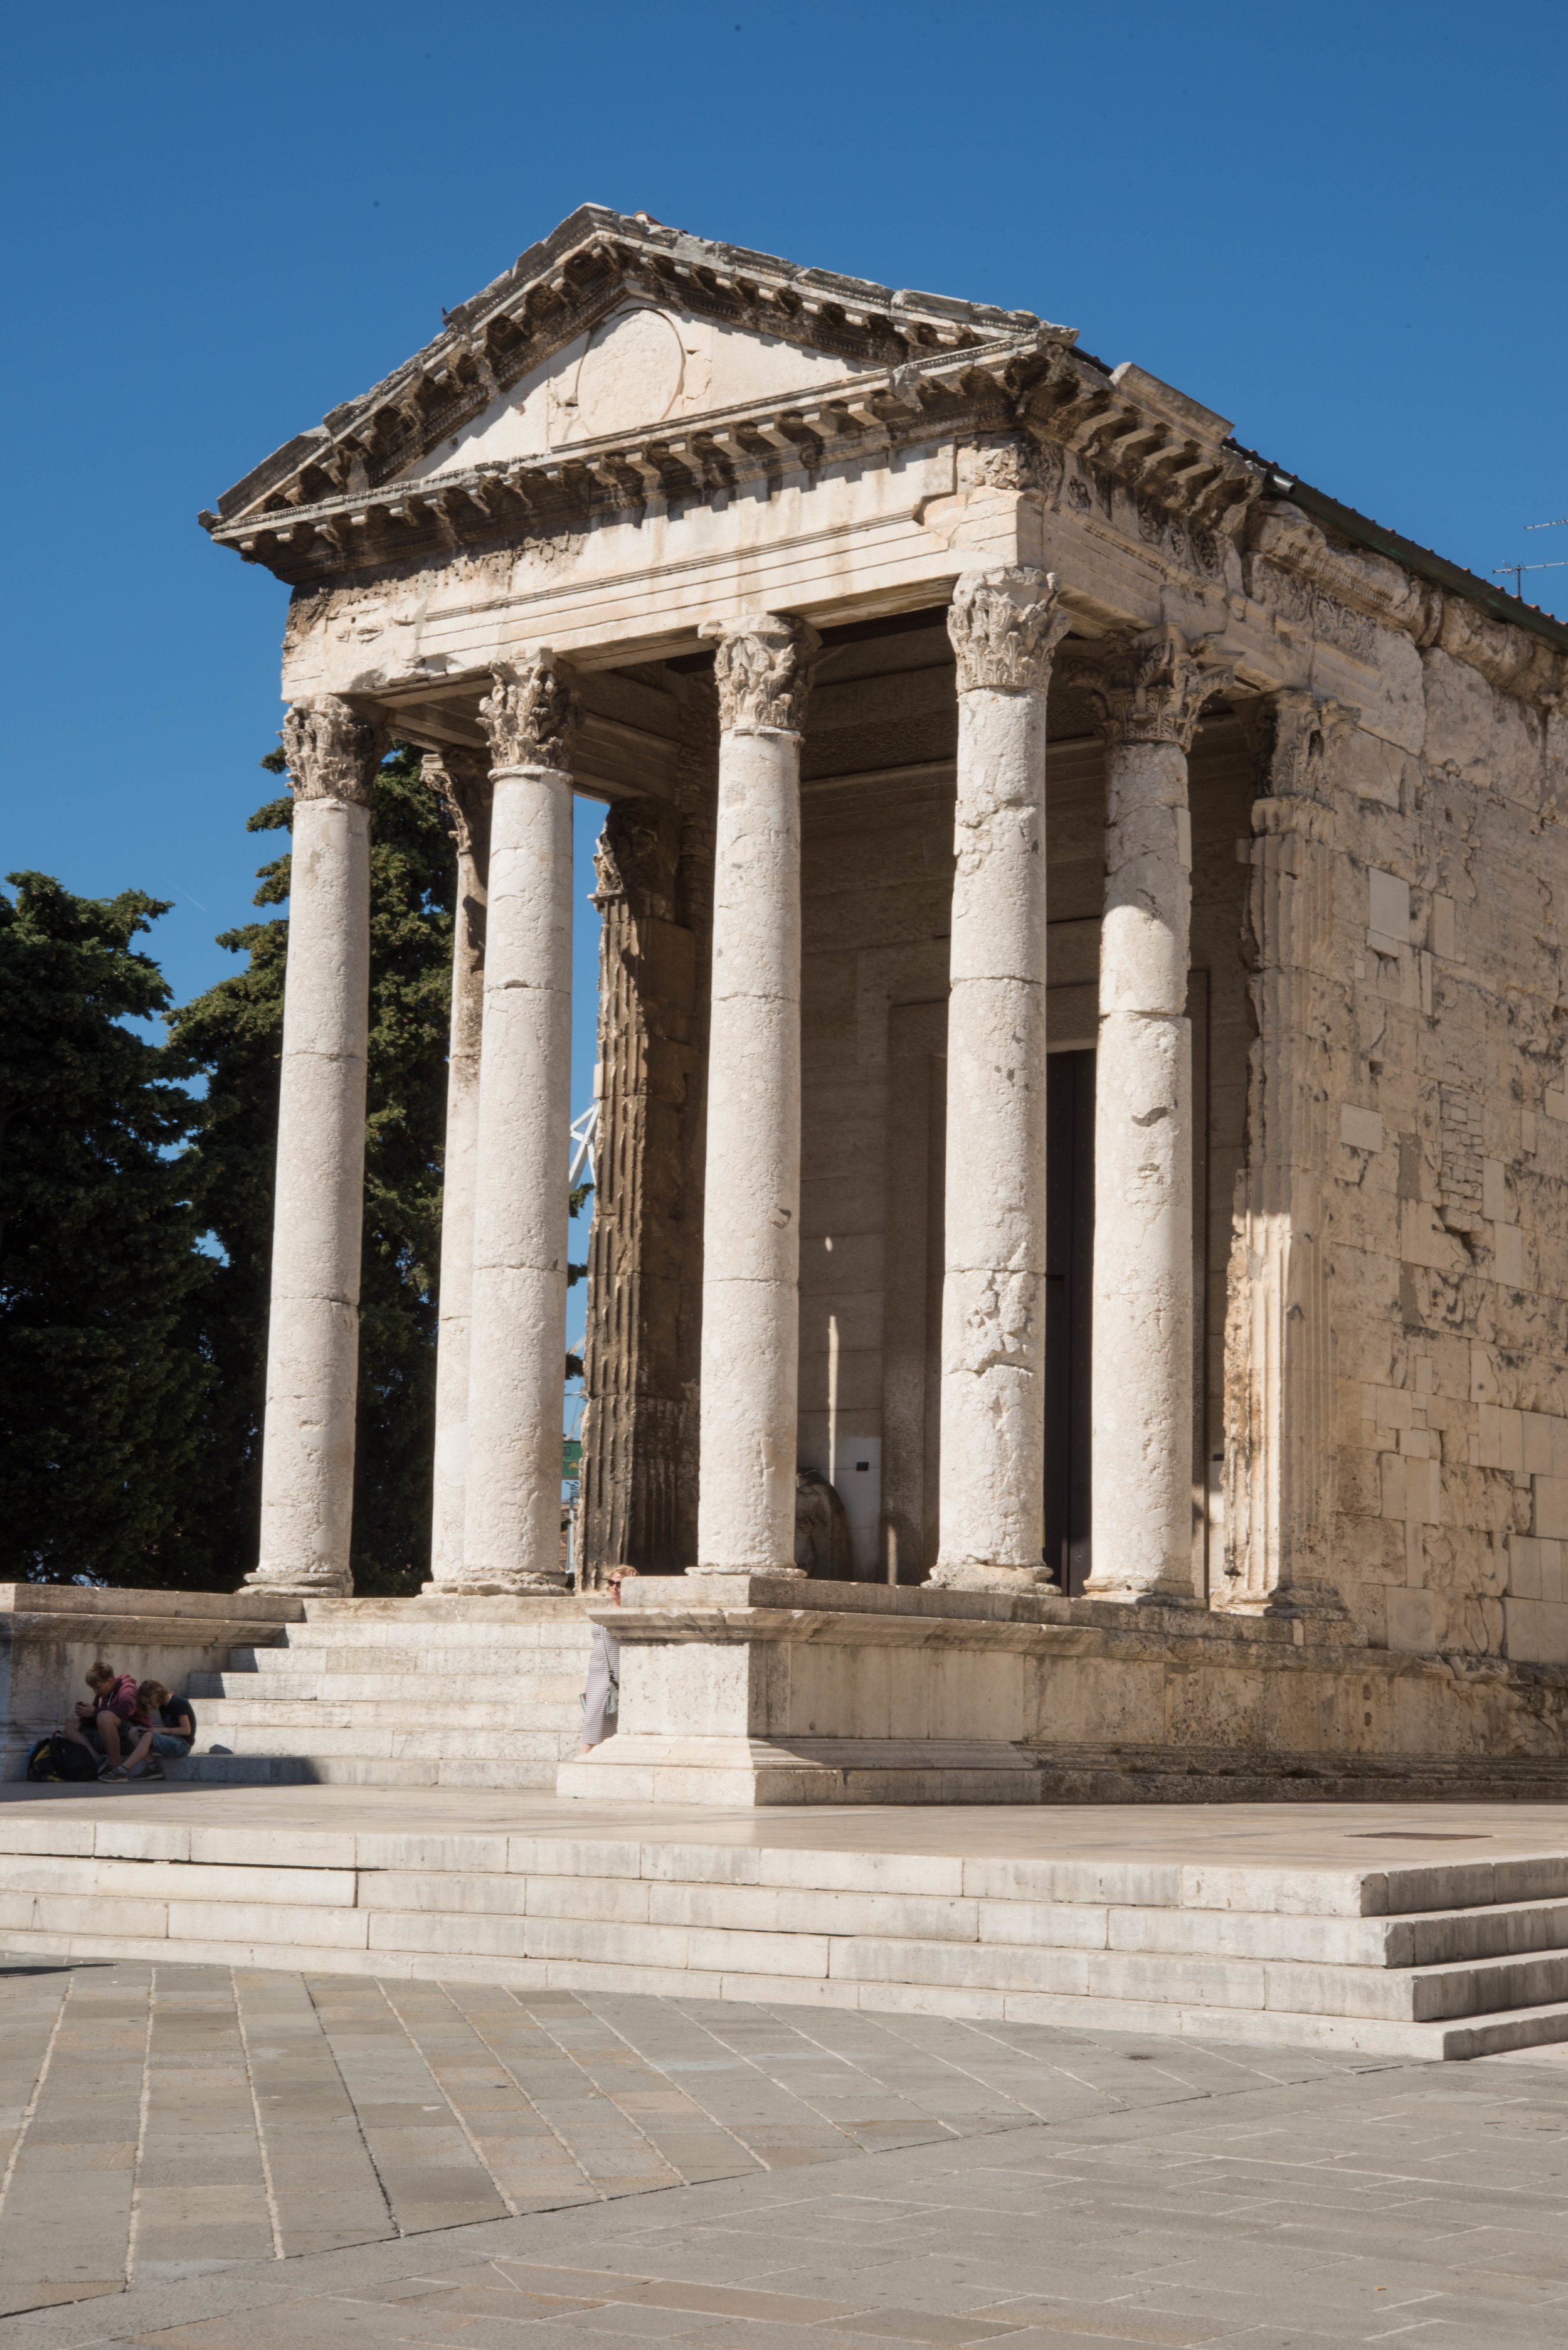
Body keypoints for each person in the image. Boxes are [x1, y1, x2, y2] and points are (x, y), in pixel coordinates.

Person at [579, 1566, 637, 1753]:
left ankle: (582, 1767)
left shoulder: (633, 1613)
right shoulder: (605, 1611)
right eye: (611, 1583)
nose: (614, 1588)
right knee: (593, 1726)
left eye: (619, 1584)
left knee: (595, 1729)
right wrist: (588, 1683)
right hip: (597, 1676)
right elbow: (597, 1649)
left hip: (613, 1677)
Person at [59, 1661, 138, 1773]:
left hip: (131, 1738)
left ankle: (116, 1767)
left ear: (110, 1681)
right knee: (72, 1724)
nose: (96, 1692)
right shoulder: (102, 1695)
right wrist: (84, 1714)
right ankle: (98, 1760)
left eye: (98, 1688)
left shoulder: (127, 1688)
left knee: (104, 1716)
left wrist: (95, 1711)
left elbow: (127, 1709)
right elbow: (95, 1717)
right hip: (106, 1736)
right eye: (93, 1689)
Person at [113, 1683, 196, 1782]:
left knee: (148, 1736)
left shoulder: (178, 1703)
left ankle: (122, 1770)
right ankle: (153, 1768)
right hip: (172, 1740)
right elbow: (167, 1727)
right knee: (134, 1731)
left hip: (183, 1745)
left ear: (155, 1693)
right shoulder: (162, 1707)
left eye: (149, 1702)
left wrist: (160, 1730)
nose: (150, 1706)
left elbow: (186, 1730)